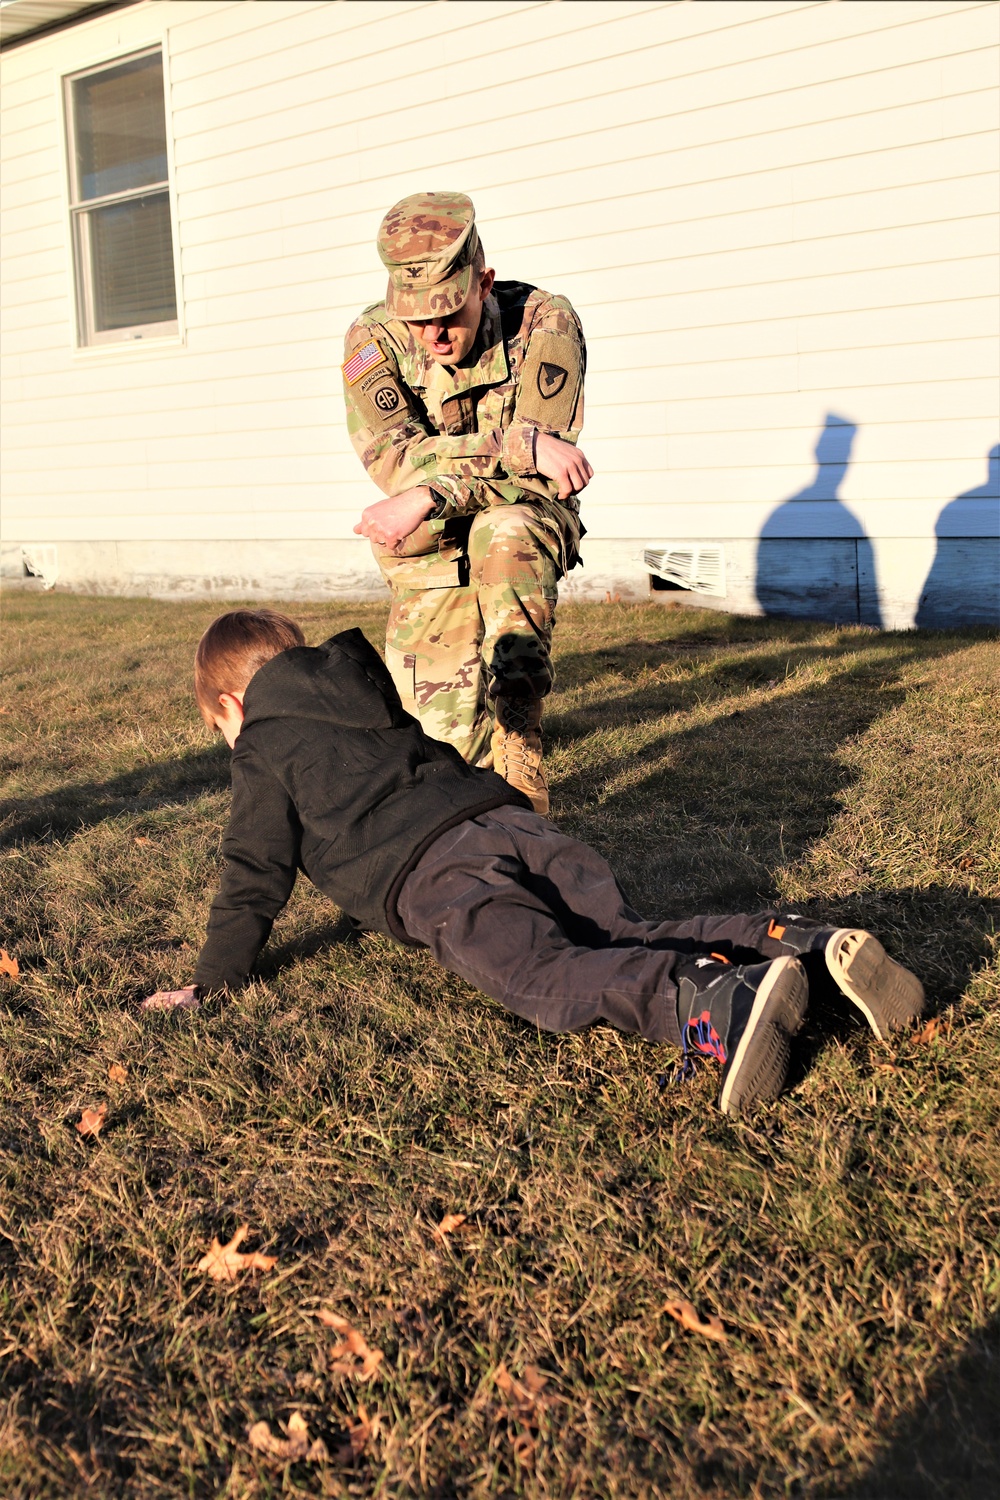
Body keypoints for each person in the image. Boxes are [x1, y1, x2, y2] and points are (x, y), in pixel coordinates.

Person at [142, 611, 926, 1119]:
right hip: (509, 822)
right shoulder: (365, 697)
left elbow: (253, 873)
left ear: (232, 708)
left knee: (543, 976)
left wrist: (213, 981)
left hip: (438, 878)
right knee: (619, 928)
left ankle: (707, 1002)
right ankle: (799, 942)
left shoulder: (262, 746)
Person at [343, 191, 593, 815]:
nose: (432, 335)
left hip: (521, 527)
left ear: (483, 280)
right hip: (432, 550)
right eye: (416, 320)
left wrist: (432, 487)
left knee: (502, 533)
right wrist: (516, 445)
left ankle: (519, 723)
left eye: (448, 315)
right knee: (438, 754)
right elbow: (394, 461)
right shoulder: (372, 340)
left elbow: (543, 480)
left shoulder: (546, 323)